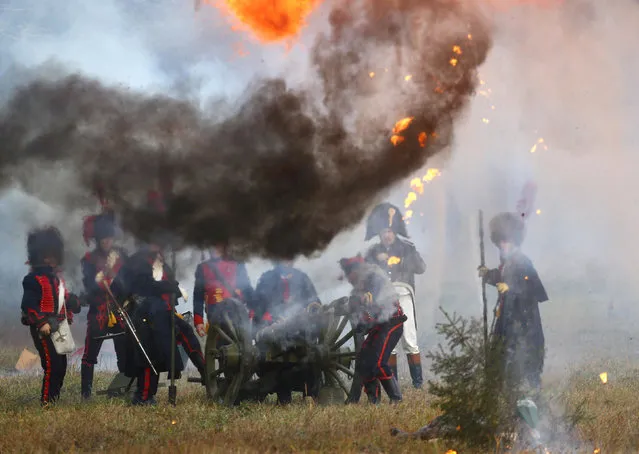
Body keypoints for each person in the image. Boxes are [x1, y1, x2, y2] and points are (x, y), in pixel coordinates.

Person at [478, 212, 548, 394]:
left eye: (506, 241)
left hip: (524, 320)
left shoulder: (524, 262)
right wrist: (489, 275)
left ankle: (531, 394)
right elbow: (503, 276)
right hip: (507, 316)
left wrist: (510, 288)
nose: (503, 245)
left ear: (515, 241)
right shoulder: (507, 261)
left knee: (524, 358)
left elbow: (532, 288)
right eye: (500, 242)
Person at [364, 202, 426, 388]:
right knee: (388, 340)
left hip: (404, 294)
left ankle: (417, 383)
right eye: (384, 232)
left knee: (409, 338)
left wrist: (400, 260)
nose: (387, 235)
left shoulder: (408, 248)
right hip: (383, 299)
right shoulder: (373, 252)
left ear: (395, 231)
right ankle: (393, 382)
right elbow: (365, 276)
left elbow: (421, 268)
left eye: (390, 231)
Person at [20, 226, 82, 406]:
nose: (51, 259)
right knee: (52, 364)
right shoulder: (32, 279)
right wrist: (41, 323)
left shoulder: (57, 279)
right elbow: (28, 305)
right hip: (45, 327)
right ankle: (46, 402)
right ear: (40, 257)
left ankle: (54, 398)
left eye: (54, 255)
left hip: (60, 325)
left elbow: (64, 299)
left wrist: (78, 302)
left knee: (61, 366)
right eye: (47, 256)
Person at [339, 255, 406, 404]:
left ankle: (396, 399)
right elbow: (357, 308)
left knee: (378, 363)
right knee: (363, 361)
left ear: (355, 271)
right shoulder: (359, 286)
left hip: (391, 323)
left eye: (349, 275)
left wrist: (366, 310)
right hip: (378, 326)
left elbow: (377, 305)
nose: (348, 279)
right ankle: (373, 401)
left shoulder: (375, 278)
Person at [253, 260, 321, 404]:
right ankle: (282, 395)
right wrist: (269, 321)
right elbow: (258, 307)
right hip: (272, 330)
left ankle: (310, 393)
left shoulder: (302, 278)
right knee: (275, 361)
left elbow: (314, 303)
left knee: (308, 359)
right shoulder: (267, 278)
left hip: (300, 331)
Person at [79, 213, 129, 399]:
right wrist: (103, 277)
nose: (106, 241)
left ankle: (121, 388)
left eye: (109, 237)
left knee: (123, 351)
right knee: (90, 355)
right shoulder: (88, 259)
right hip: (98, 311)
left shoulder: (121, 256)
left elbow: (128, 282)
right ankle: (86, 393)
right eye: (103, 238)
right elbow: (89, 286)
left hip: (119, 309)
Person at [192, 246, 255, 336]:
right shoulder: (203, 267)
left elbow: (246, 288)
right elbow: (198, 296)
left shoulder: (237, 264)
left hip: (235, 311)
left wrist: (252, 309)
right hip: (214, 313)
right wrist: (199, 321)